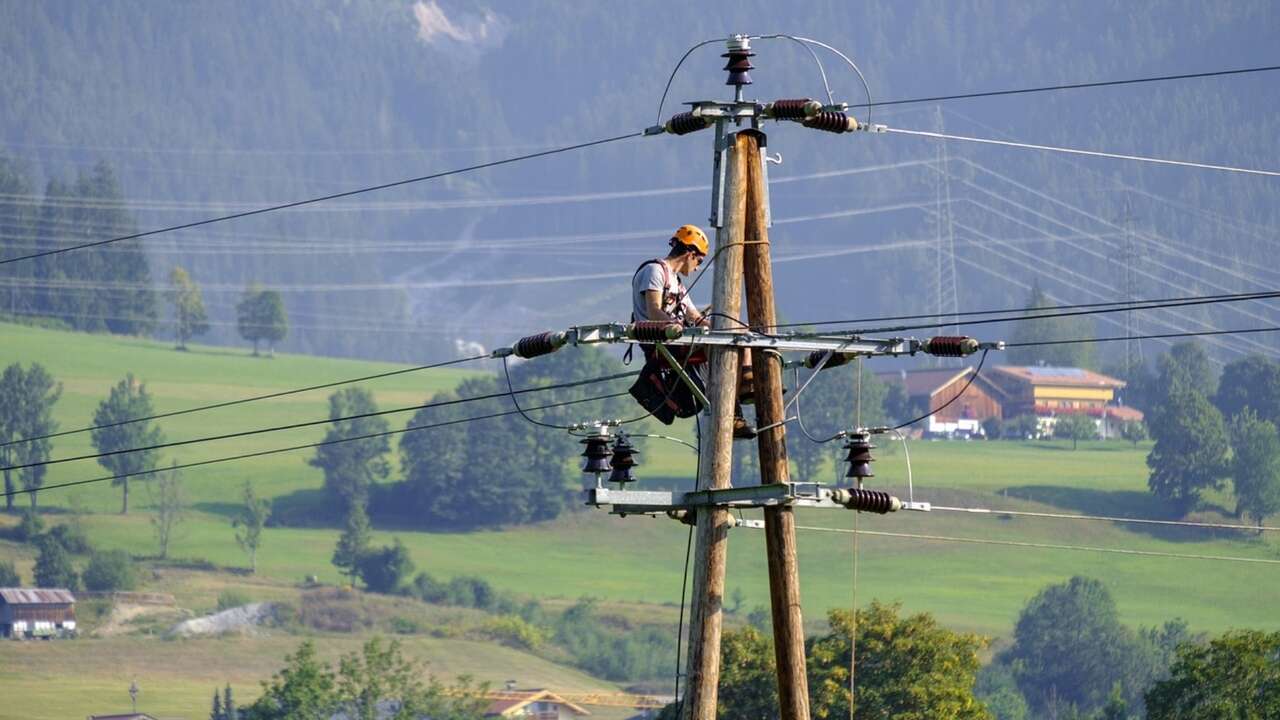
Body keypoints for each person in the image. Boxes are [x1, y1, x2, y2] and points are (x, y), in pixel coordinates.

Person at [628, 224, 755, 438]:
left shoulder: (677, 284)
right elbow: (654, 311)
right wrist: (678, 327)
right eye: (699, 261)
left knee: (738, 335)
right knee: (716, 347)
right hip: (661, 342)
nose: (697, 268)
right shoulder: (654, 271)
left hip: (679, 339)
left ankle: (748, 383)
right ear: (690, 254)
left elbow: (694, 316)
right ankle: (732, 413)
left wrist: (725, 328)